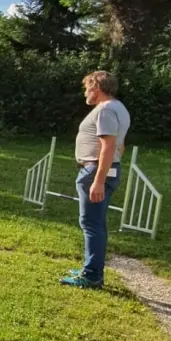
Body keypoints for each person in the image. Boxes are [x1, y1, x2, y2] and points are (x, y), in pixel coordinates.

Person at [60, 71, 131, 290]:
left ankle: (91, 275)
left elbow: (109, 146)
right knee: (96, 222)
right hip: (101, 169)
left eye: (86, 88)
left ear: (96, 87)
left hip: (94, 170)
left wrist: (98, 180)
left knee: (91, 223)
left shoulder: (105, 110)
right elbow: (121, 146)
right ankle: (91, 268)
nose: (85, 93)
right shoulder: (118, 108)